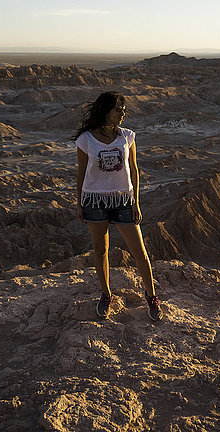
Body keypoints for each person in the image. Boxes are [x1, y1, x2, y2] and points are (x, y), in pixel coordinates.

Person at [73, 91, 162, 321]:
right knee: (101, 250)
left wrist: (136, 202)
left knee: (139, 253)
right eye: (118, 109)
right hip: (94, 200)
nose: (123, 113)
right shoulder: (86, 140)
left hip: (124, 200)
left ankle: (151, 297)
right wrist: (80, 202)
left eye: (123, 109)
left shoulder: (127, 137)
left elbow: (134, 169)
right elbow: (81, 173)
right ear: (106, 111)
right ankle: (106, 294)